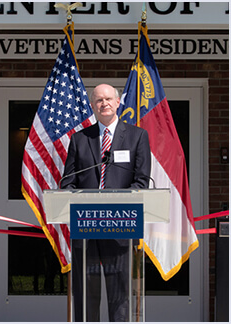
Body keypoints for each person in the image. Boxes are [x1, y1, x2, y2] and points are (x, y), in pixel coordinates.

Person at [60, 84, 151, 321]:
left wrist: (116, 204)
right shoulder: (80, 139)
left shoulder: (137, 136)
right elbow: (67, 182)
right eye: (99, 100)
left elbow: (141, 182)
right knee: (86, 295)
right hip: (86, 228)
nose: (104, 104)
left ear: (118, 102)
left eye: (108, 99)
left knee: (119, 296)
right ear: (92, 105)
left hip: (120, 228)